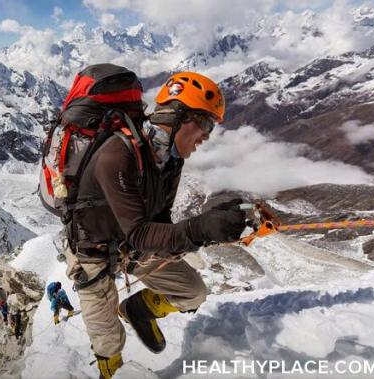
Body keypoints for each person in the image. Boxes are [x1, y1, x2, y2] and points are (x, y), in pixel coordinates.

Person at [64, 72, 247, 378]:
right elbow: (139, 233)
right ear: (180, 118)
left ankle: (138, 309)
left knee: (193, 292)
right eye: (206, 124)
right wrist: (202, 228)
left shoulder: (170, 159)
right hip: (92, 252)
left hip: (131, 247)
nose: (207, 136)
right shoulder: (116, 154)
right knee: (108, 342)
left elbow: (159, 221)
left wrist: (218, 225)